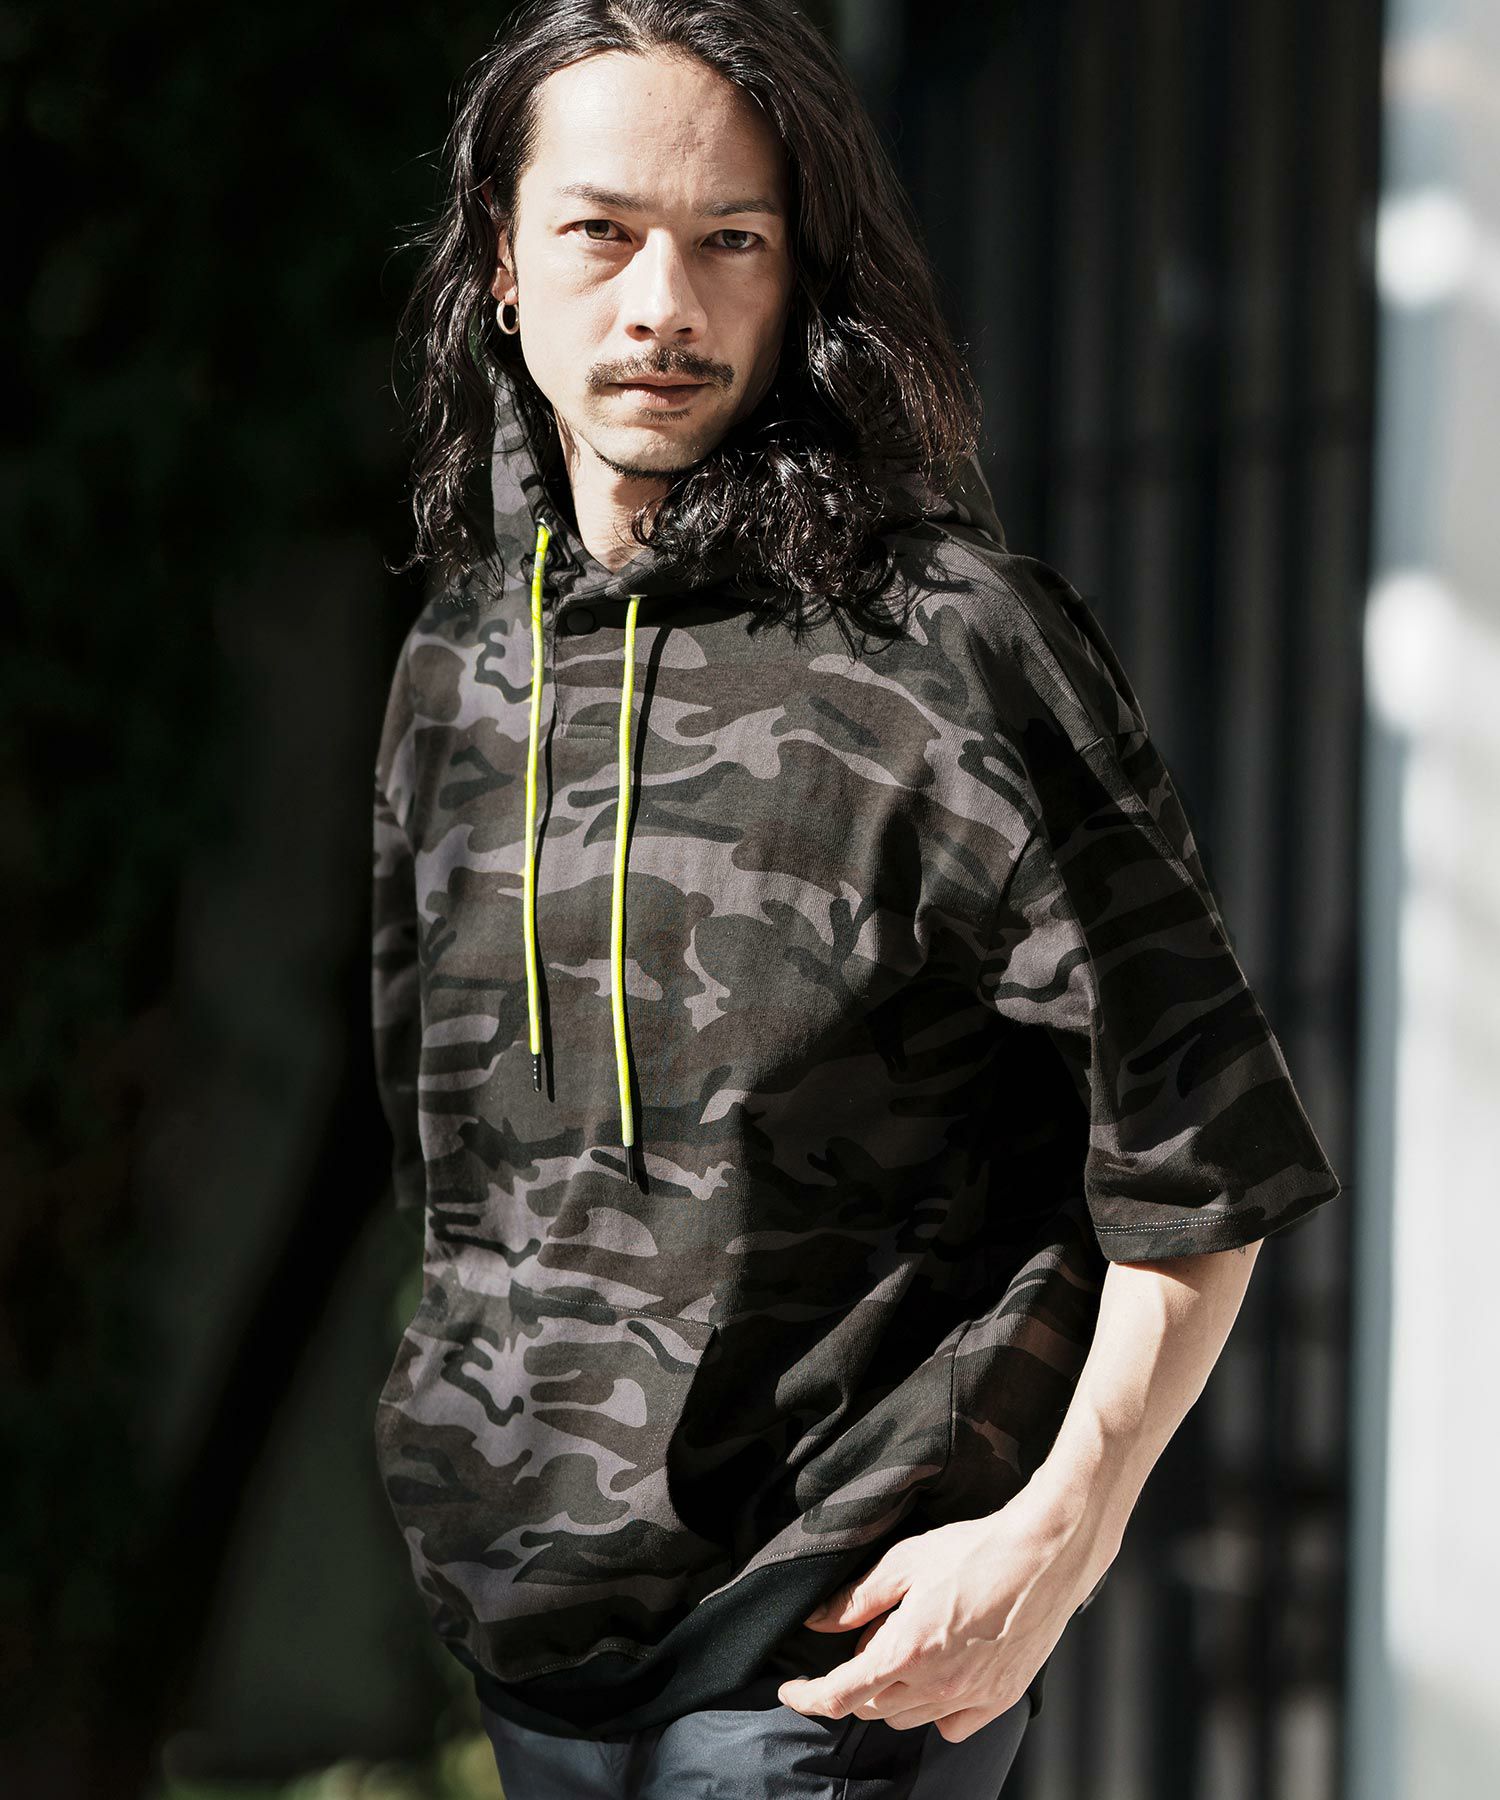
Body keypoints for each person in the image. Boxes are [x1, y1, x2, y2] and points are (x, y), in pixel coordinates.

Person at [369, 2, 1343, 1794]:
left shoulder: (944, 645)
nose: (663, 304)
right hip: (534, 1654)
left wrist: (1053, 1540)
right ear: (501, 263)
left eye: (730, 240)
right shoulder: (458, 666)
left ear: (801, 272)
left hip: (836, 1650)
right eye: (600, 232)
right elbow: (456, 1166)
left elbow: (1205, 1159)